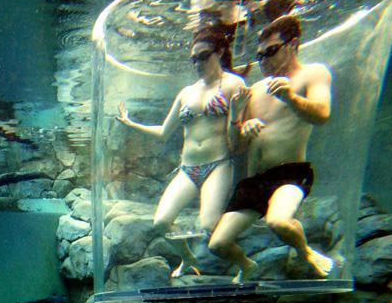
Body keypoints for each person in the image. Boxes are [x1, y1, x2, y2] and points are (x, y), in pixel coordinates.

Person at [208, 14, 334, 282]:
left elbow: (322, 115)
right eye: (260, 55)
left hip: (290, 173)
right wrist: (239, 122)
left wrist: (291, 98)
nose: (263, 61)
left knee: (278, 221)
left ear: (293, 45)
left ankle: (305, 251)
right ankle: (248, 266)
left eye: (271, 51)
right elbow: (236, 147)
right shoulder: (255, 89)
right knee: (217, 245)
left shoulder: (313, 73)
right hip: (255, 180)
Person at [116, 27, 245, 277]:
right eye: (193, 59)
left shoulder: (233, 84)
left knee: (209, 225)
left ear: (219, 52)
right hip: (188, 168)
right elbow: (164, 132)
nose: (197, 63)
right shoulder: (187, 92)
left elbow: (236, 142)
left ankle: (245, 264)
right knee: (161, 222)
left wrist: (236, 115)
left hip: (218, 165)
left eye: (203, 56)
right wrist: (131, 124)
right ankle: (187, 259)